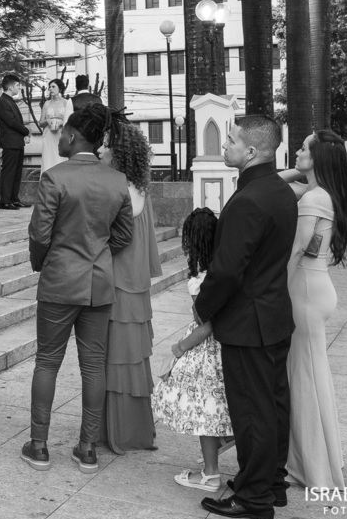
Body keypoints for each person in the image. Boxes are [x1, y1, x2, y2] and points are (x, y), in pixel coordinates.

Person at [20, 103, 133, 475]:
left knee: (47, 362)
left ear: (71, 135)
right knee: (93, 367)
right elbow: (123, 236)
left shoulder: (55, 177)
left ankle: (39, 445)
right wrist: (97, 255)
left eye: (65, 133)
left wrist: (45, 263)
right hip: (98, 284)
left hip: (58, 282)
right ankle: (87, 449)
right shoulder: (117, 181)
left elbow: (39, 234)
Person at [195, 115, 297, 519]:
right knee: (272, 404)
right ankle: (270, 482)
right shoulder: (279, 190)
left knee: (252, 410)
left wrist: (203, 307)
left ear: (252, 151)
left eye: (232, 140)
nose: (226, 144)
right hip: (272, 313)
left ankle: (255, 497)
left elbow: (227, 270)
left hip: (248, 320)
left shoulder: (250, 199)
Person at [278, 131, 347, 491]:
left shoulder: (313, 199)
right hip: (314, 288)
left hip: (304, 292)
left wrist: (274, 295)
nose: (296, 150)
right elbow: (266, 184)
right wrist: (300, 171)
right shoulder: (319, 194)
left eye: (304, 148)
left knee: (305, 383)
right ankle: (317, 462)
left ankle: (313, 469)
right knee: (310, 379)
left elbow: (294, 251)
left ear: (318, 158)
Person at [153, 208, 233, 493]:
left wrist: (178, 348)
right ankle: (226, 439)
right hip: (229, 345)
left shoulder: (200, 280)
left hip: (205, 350)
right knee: (219, 404)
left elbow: (206, 325)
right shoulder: (225, 268)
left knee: (202, 410)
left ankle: (210, 474)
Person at [100, 115, 162, 454]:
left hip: (117, 281)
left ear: (118, 152)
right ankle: (133, 429)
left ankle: (116, 431)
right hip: (134, 283)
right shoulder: (141, 188)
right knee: (131, 358)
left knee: (115, 357)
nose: (100, 149)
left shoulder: (116, 189)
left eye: (106, 144)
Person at [0, 74, 30, 210]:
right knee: (9, 171)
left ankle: (14, 199)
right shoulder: (3, 102)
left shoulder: (10, 100)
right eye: (17, 85)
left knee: (17, 172)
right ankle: (5, 201)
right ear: (10, 87)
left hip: (16, 142)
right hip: (9, 142)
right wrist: (26, 131)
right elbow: (11, 122)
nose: (19, 87)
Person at [39, 79, 72, 173]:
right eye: (49, 87)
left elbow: (71, 121)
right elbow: (40, 122)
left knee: (61, 159)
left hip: (61, 135)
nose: (50, 89)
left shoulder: (66, 103)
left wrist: (62, 123)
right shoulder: (47, 104)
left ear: (60, 88)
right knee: (48, 159)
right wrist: (47, 121)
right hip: (49, 136)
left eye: (53, 87)